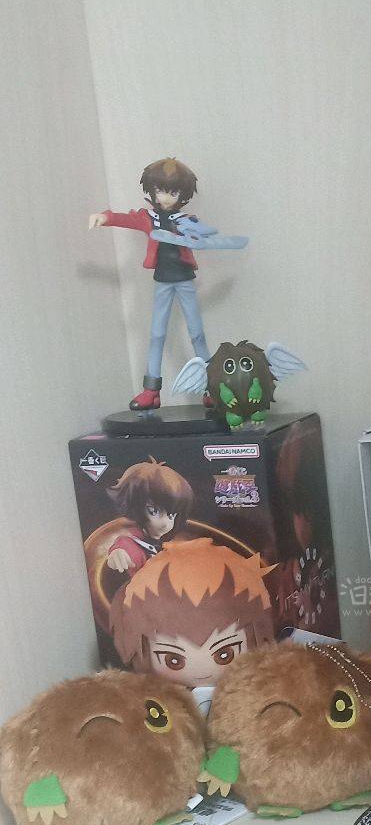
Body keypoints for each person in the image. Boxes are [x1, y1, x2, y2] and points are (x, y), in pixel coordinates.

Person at [89, 156, 246, 410]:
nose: (166, 197)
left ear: (182, 194)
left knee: (197, 334)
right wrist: (105, 217)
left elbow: (201, 233)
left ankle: (213, 387)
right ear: (152, 190)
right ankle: (151, 391)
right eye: (161, 190)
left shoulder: (186, 220)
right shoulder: (148, 218)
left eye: (173, 192)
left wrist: (196, 234)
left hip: (185, 281)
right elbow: (126, 219)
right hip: (163, 281)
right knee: (157, 335)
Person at [109, 537, 273, 715]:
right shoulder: (156, 701)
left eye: (224, 654)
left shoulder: (253, 691)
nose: (202, 672)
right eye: (173, 660)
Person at [104, 456, 194, 577]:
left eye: (171, 515)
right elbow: (125, 547)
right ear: (135, 507)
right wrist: (118, 553)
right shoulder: (132, 541)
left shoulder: (167, 542)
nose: (165, 523)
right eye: (153, 511)